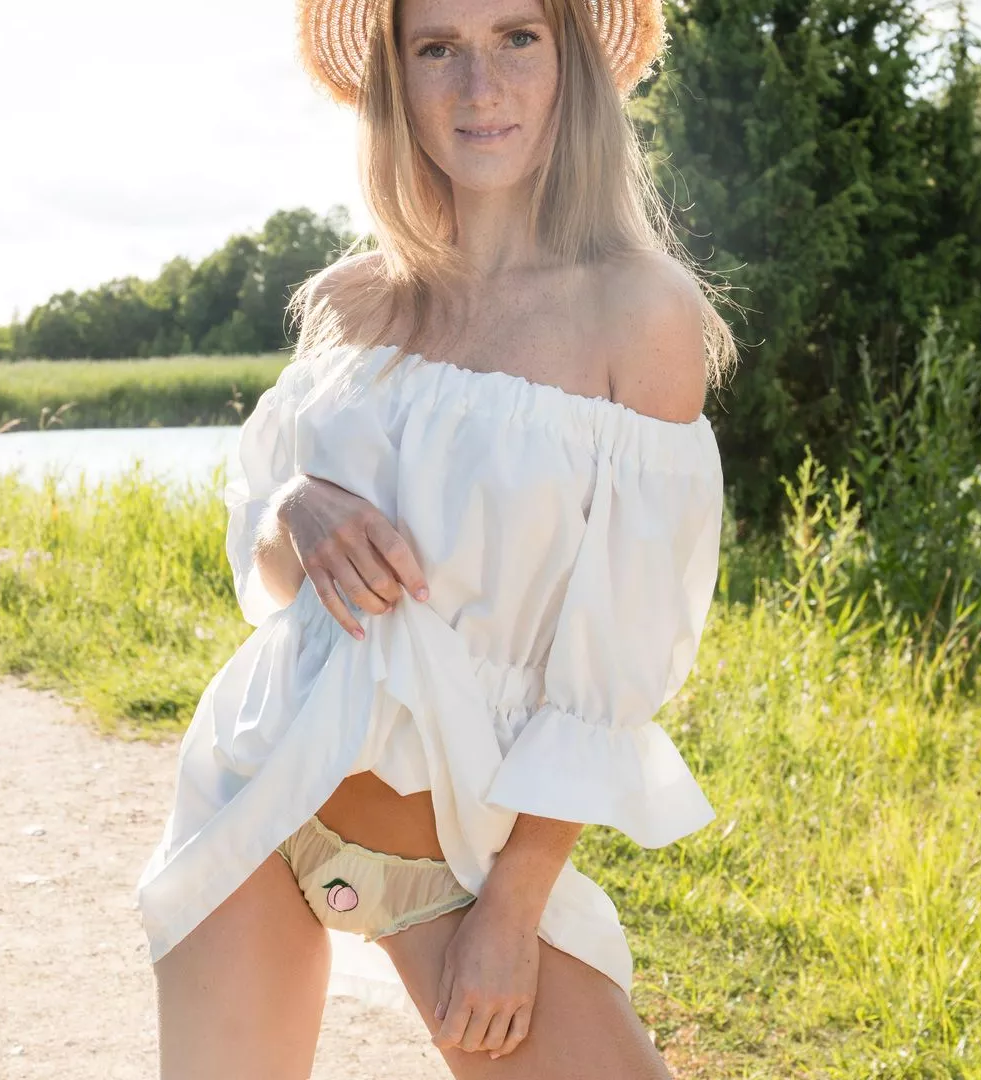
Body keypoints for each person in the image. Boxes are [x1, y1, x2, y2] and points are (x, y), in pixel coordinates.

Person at [133, 0, 739, 1074]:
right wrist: (294, 507)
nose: (479, 86)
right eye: (438, 48)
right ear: (397, 78)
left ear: (569, 63)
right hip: (259, 794)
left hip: (466, 860)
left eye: (517, 38)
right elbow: (275, 572)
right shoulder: (352, 301)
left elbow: (611, 668)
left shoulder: (642, 314)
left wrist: (513, 910)